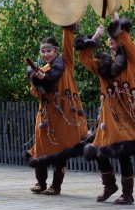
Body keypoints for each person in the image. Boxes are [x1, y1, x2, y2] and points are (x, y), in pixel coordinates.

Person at [74, 12, 135, 205]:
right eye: (108, 38)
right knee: (98, 151)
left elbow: (125, 37)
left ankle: (128, 194)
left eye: (114, 36)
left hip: (126, 115)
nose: (111, 39)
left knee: (124, 154)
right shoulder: (103, 63)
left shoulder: (131, 59)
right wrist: (95, 37)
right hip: (108, 118)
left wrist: (116, 18)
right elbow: (85, 59)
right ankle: (109, 185)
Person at [23, 24, 89, 196]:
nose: (46, 55)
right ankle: (40, 183)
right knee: (40, 149)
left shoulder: (66, 64)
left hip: (63, 115)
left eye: (49, 51)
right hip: (45, 117)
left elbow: (68, 43)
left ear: (56, 51)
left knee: (61, 149)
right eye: (43, 52)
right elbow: (35, 93)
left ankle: (56, 186)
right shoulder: (41, 70)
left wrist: (67, 28)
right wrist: (38, 80)